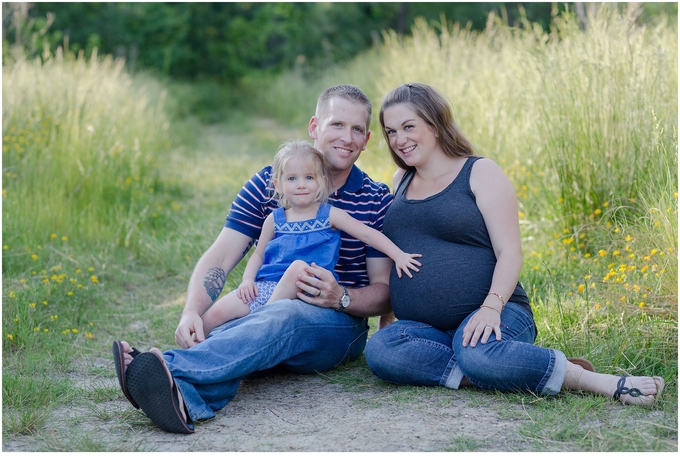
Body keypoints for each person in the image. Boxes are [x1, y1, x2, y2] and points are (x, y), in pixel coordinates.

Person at [112, 84, 398, 434]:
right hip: (267, 306)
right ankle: (182, 396)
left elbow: (385, 291)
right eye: (337, 124)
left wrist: (340, 296)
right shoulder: (270, 183)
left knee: (285, 313)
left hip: (337, 327)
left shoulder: (374, 199)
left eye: (356, 129)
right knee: (256, 316)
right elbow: (222, 255)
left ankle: (166, 369)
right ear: (314, 127)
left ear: (367, 139)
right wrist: (191, 312)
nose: (346, 137)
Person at [364, 83, 665, 407]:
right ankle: (503, 368)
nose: (400, 140)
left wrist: (491, 307)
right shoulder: (401, 180)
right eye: (392, 131)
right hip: (428, 329)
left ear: (435, 125)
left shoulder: (479, 172)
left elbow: (510, 251)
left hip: (499, 311)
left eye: (409, 127)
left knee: (477, 352)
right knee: (381, 349)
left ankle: (590, 380)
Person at [199, 139, 421, 336]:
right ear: (279, 185)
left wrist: (398, 255)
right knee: (217, 312)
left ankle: (260, 323)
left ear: (321, 182)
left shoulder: (329, 215)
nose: (301, 184)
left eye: (308, 177)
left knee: (298, 268)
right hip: (267, 287)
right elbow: (258, 255)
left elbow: (368, 234)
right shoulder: (274, 219)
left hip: (308, 289)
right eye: (292, 178)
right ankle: (194, 346)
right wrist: (248, 281)